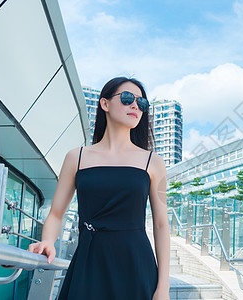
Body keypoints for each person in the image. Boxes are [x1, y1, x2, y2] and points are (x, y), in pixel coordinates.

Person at [28, 77, 170, 300]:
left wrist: (163, 287)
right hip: (89, 261)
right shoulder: (77, 157)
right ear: (104, 104)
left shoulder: (153, 162)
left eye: (141, 103)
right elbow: (56, 214)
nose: (135, 106)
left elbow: (161, 225)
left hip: (136, 264)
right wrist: (48, 241)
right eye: (127, 98)